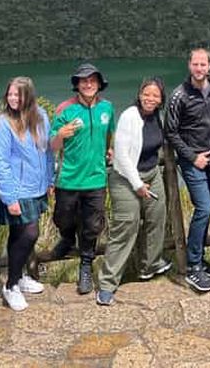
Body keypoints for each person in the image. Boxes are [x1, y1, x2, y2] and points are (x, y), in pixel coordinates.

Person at [166, 48, 210, 292]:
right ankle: (193, 266)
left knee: (205, 211)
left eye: (203, 64)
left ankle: (200, 259)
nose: (199, 68)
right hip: (193, 162)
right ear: (189, 65)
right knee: (204, 208)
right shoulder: (179, 95)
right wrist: (193, 157)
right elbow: (171, 132)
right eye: (195, 64)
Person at [97, 77, 171, 306]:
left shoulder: (156, 117)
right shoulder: (130, 116)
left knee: (157, 216)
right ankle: (108, 283)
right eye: (146, 94)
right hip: (125, 178)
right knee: (126, 226)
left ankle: (150, 265)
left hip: (151, 174)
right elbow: (121, 155)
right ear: (139, 95)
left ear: (161, 99)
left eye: (155, 95)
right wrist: (137, 185)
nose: (150, 98)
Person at [50, 63, 116, 294]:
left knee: (92, 226)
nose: (88, 84)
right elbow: (52, 145)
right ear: (77, 84)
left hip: (96, 179)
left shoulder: (107, 108)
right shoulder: (65, 110)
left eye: (92, 80)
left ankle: (86, 265)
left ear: (99, 84)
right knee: (62, 218)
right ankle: (67, 239)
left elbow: (109, 134)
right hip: (68, 178)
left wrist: (110, 150)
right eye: (83, 81)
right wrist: (60, 134)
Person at [0, 77, 53, 311]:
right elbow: (0, 162)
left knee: (19, 234)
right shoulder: (3, 123)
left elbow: (47, 151)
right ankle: (11, 286)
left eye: (18, 94)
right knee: (30, 233)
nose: (13, 99)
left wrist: (50, 178)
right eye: (10, 94)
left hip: (37, 186)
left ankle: (18, 277)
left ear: (29, 95)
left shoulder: (41, 117)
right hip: (16, 189)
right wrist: (9, 197)